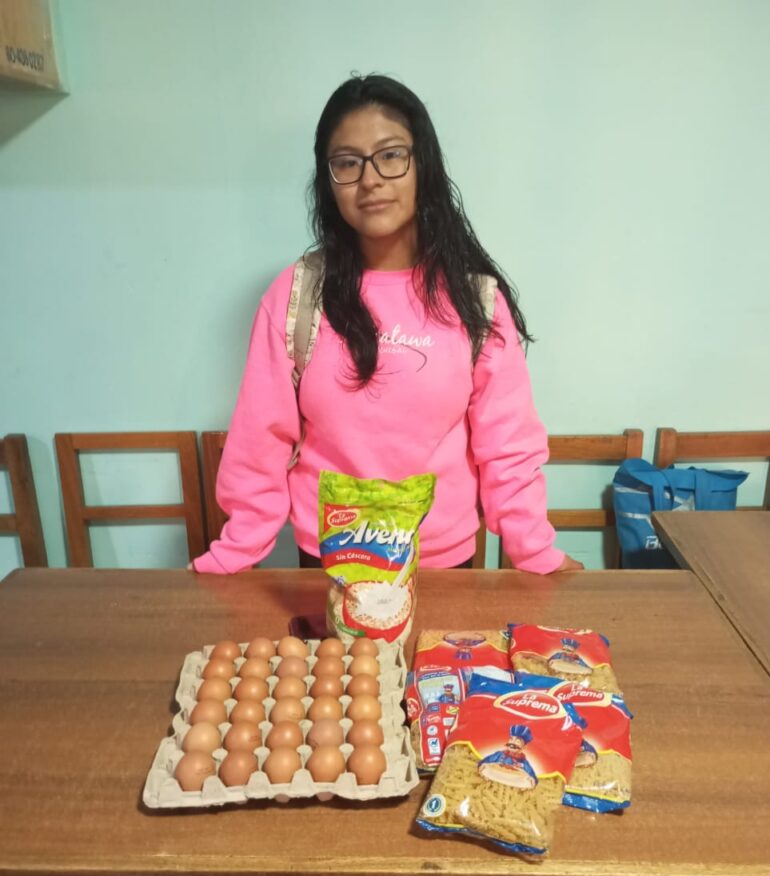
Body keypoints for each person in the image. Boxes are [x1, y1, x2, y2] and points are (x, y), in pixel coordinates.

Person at [192, 74, 583, 574]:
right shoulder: (297, 295)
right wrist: (234, 554)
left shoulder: (475, 300)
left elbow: (507, 447)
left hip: (443, 570)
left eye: (391, 155)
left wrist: (537, 553)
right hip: (331, 566)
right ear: (328, 181)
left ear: (424, 165)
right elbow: (259, 440)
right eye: (347, 162)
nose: (370, 179)